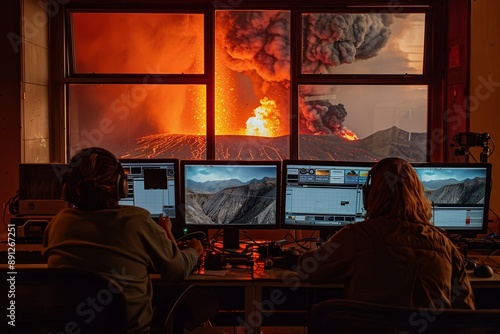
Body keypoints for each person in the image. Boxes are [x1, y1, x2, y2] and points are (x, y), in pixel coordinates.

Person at [42, 147, 213, 333]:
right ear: (121, 186)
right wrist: (194, 251)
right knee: (206, 301)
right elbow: (176, 270)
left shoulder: (59, 223)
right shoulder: (137, 221)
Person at [296, 157, 475, 309]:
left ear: (368, 196)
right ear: (419, 196)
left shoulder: (356, 236)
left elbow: (309, 269)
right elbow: (465, 310)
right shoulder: (444, 244)